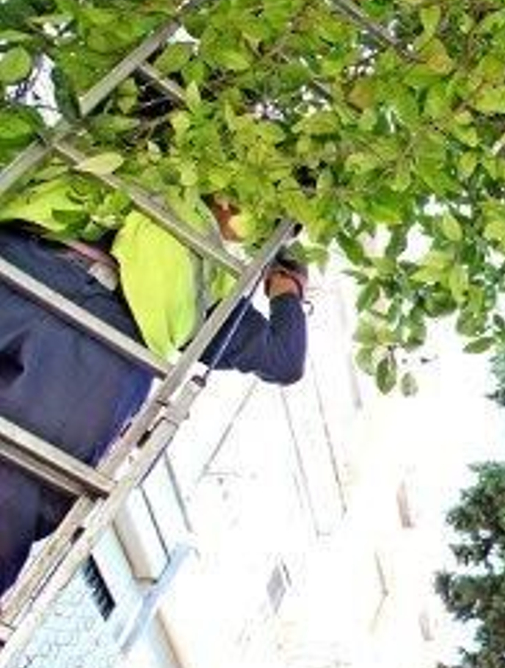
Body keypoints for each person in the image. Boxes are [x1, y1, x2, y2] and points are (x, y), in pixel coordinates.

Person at [0, 177, 309, 596]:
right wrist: (289, 286)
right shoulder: (135, 160)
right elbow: (283, 358)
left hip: (90, 338)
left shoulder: (213, 276)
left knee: (18, 492)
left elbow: (283, 359)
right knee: (17, 491)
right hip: (50, 296)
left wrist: (285, 289)